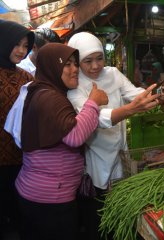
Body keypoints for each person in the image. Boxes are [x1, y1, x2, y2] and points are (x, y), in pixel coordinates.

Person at [66, 31, 164, 240]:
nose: (95, 66)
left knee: (119, 206)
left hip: (120, 150)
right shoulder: (75, 85)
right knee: (98, 212)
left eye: (99, 58)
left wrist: (154, 96)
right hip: (94, 154)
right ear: (77, 60)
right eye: (88, 61)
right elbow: (95, 117)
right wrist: (130, 109)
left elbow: (134, 93)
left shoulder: (112, 74)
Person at [15, 42, 108, 240]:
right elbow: (74, 136)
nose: (75, 69)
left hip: (36, 192)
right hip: (49, 199)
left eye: (75, 63)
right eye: (67, 64)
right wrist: (93, 102)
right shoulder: (50, 98)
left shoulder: (43, 91)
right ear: (52, 66)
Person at [0, 19, 35, 237]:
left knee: (17, 208)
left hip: (21, 157)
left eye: (25, 46)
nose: (22, 51)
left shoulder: (27, 77)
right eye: (17, 44)